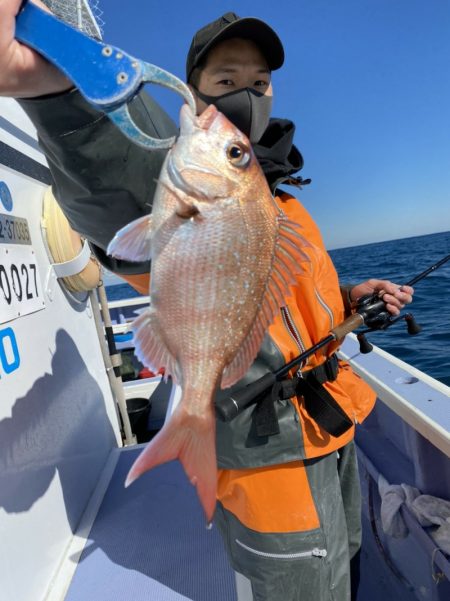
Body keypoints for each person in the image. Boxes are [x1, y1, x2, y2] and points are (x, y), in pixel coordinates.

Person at [0, 2, 414, 599]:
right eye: (226, 81)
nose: (247, 94)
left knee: (345, 572)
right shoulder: (175, 178)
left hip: (333, 431)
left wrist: (348, 295)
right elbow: (109, 190)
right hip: (269, 458)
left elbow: (288, 301)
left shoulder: (276, 199)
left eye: (260, 83)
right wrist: (64, 87)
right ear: (194, 93)